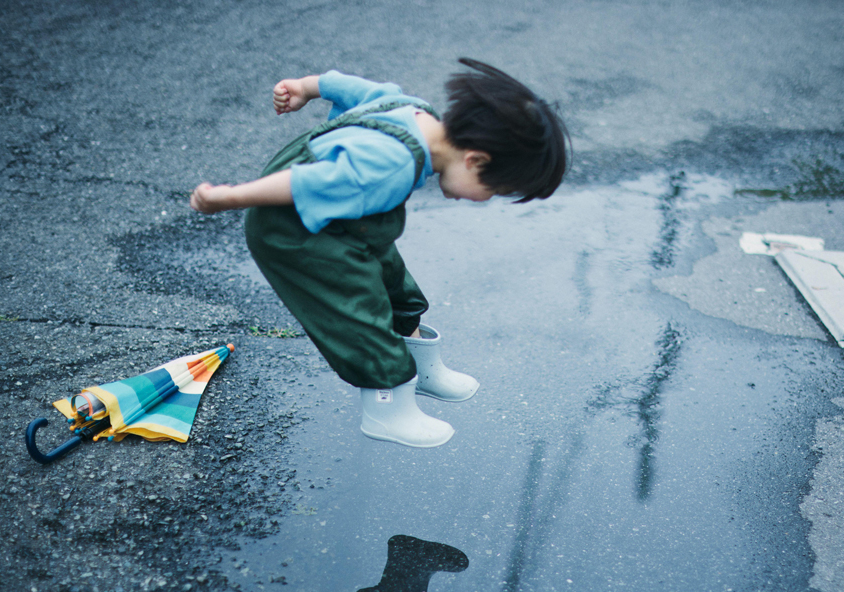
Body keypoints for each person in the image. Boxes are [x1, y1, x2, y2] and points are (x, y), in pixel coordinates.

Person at [190, 58, 569, 448]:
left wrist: (306, 87)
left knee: (395, 285)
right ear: (475, 160)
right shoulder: (391, 164)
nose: (483, 200)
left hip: (345, 223)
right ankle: (387, 408)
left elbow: (348, 86)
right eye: (492, 191)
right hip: (295, 230)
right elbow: (308, 182)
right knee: (359, 311)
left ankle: (422, 369)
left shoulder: (414, 111)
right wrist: (229, 197)